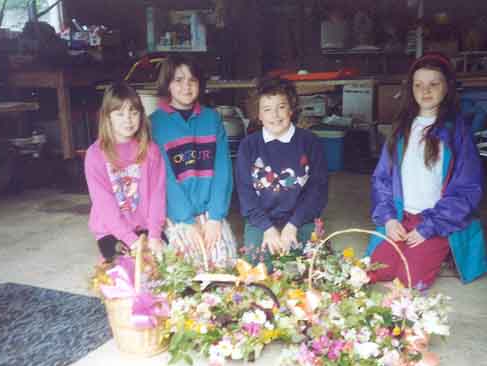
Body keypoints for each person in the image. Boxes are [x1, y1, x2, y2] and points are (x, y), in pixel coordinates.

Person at [366, 53, 487, 288]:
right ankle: (421, 249)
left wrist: (428, 228)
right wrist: (390, 219)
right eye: (418, 84)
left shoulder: (457, 133)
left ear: (447, 88)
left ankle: (440, 249)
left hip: (436, 222)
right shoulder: (401, 129)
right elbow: (382, 179)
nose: (425, 91)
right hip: (402, 216)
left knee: (408, 280)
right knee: (374, 271)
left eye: (434, 84)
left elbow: (466, 190)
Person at [150, 54, 236, 269]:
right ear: (167, 84)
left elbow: (222, 170)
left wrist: (216, 217)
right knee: (188, 269)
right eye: (178, 80)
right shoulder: (154, 124)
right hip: (178, 215)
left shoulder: (212, 118)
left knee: (225, 264)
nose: (186, 86)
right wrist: (187, 221)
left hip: (211, 211)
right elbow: (164, 178)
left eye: (192, 80)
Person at [235, 77, 328, 267]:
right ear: (258, 114)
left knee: (306, 269)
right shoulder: (248, 145)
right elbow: (246, 194)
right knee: (257, 270)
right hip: (260, 221)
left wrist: (294, 225)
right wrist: (267, 229)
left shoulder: (310, 142)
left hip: (301, 220)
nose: (275, 115)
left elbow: (317, 191)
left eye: (281, 107)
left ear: (291, 109)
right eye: (267, 109)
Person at [85, 82, 166, 262]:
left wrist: (154, 235)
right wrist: (131, 241)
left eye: (133, 113)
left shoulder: (151, 151)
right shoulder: (95, 155)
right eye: (120, 113)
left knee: (162, 269)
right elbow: (104, 205)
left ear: (141, 115)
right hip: (112, 230)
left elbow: (157, 195)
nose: (128, 120)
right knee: (122, 273)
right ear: (107, 117)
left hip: (145, 227)